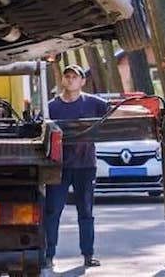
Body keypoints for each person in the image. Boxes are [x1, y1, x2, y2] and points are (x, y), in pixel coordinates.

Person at [44, 64, 109, 269]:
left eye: (75, 77)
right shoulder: (51, 106)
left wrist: (141, 109)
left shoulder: (93, 103)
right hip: (58, 167)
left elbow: (115, 112)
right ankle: (48, 255)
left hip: (85, 166)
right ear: (63, 80)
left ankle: (88, 255)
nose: (70, 79)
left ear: (82, 81)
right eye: (67, 76)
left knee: (86, 211)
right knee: (53, 211)